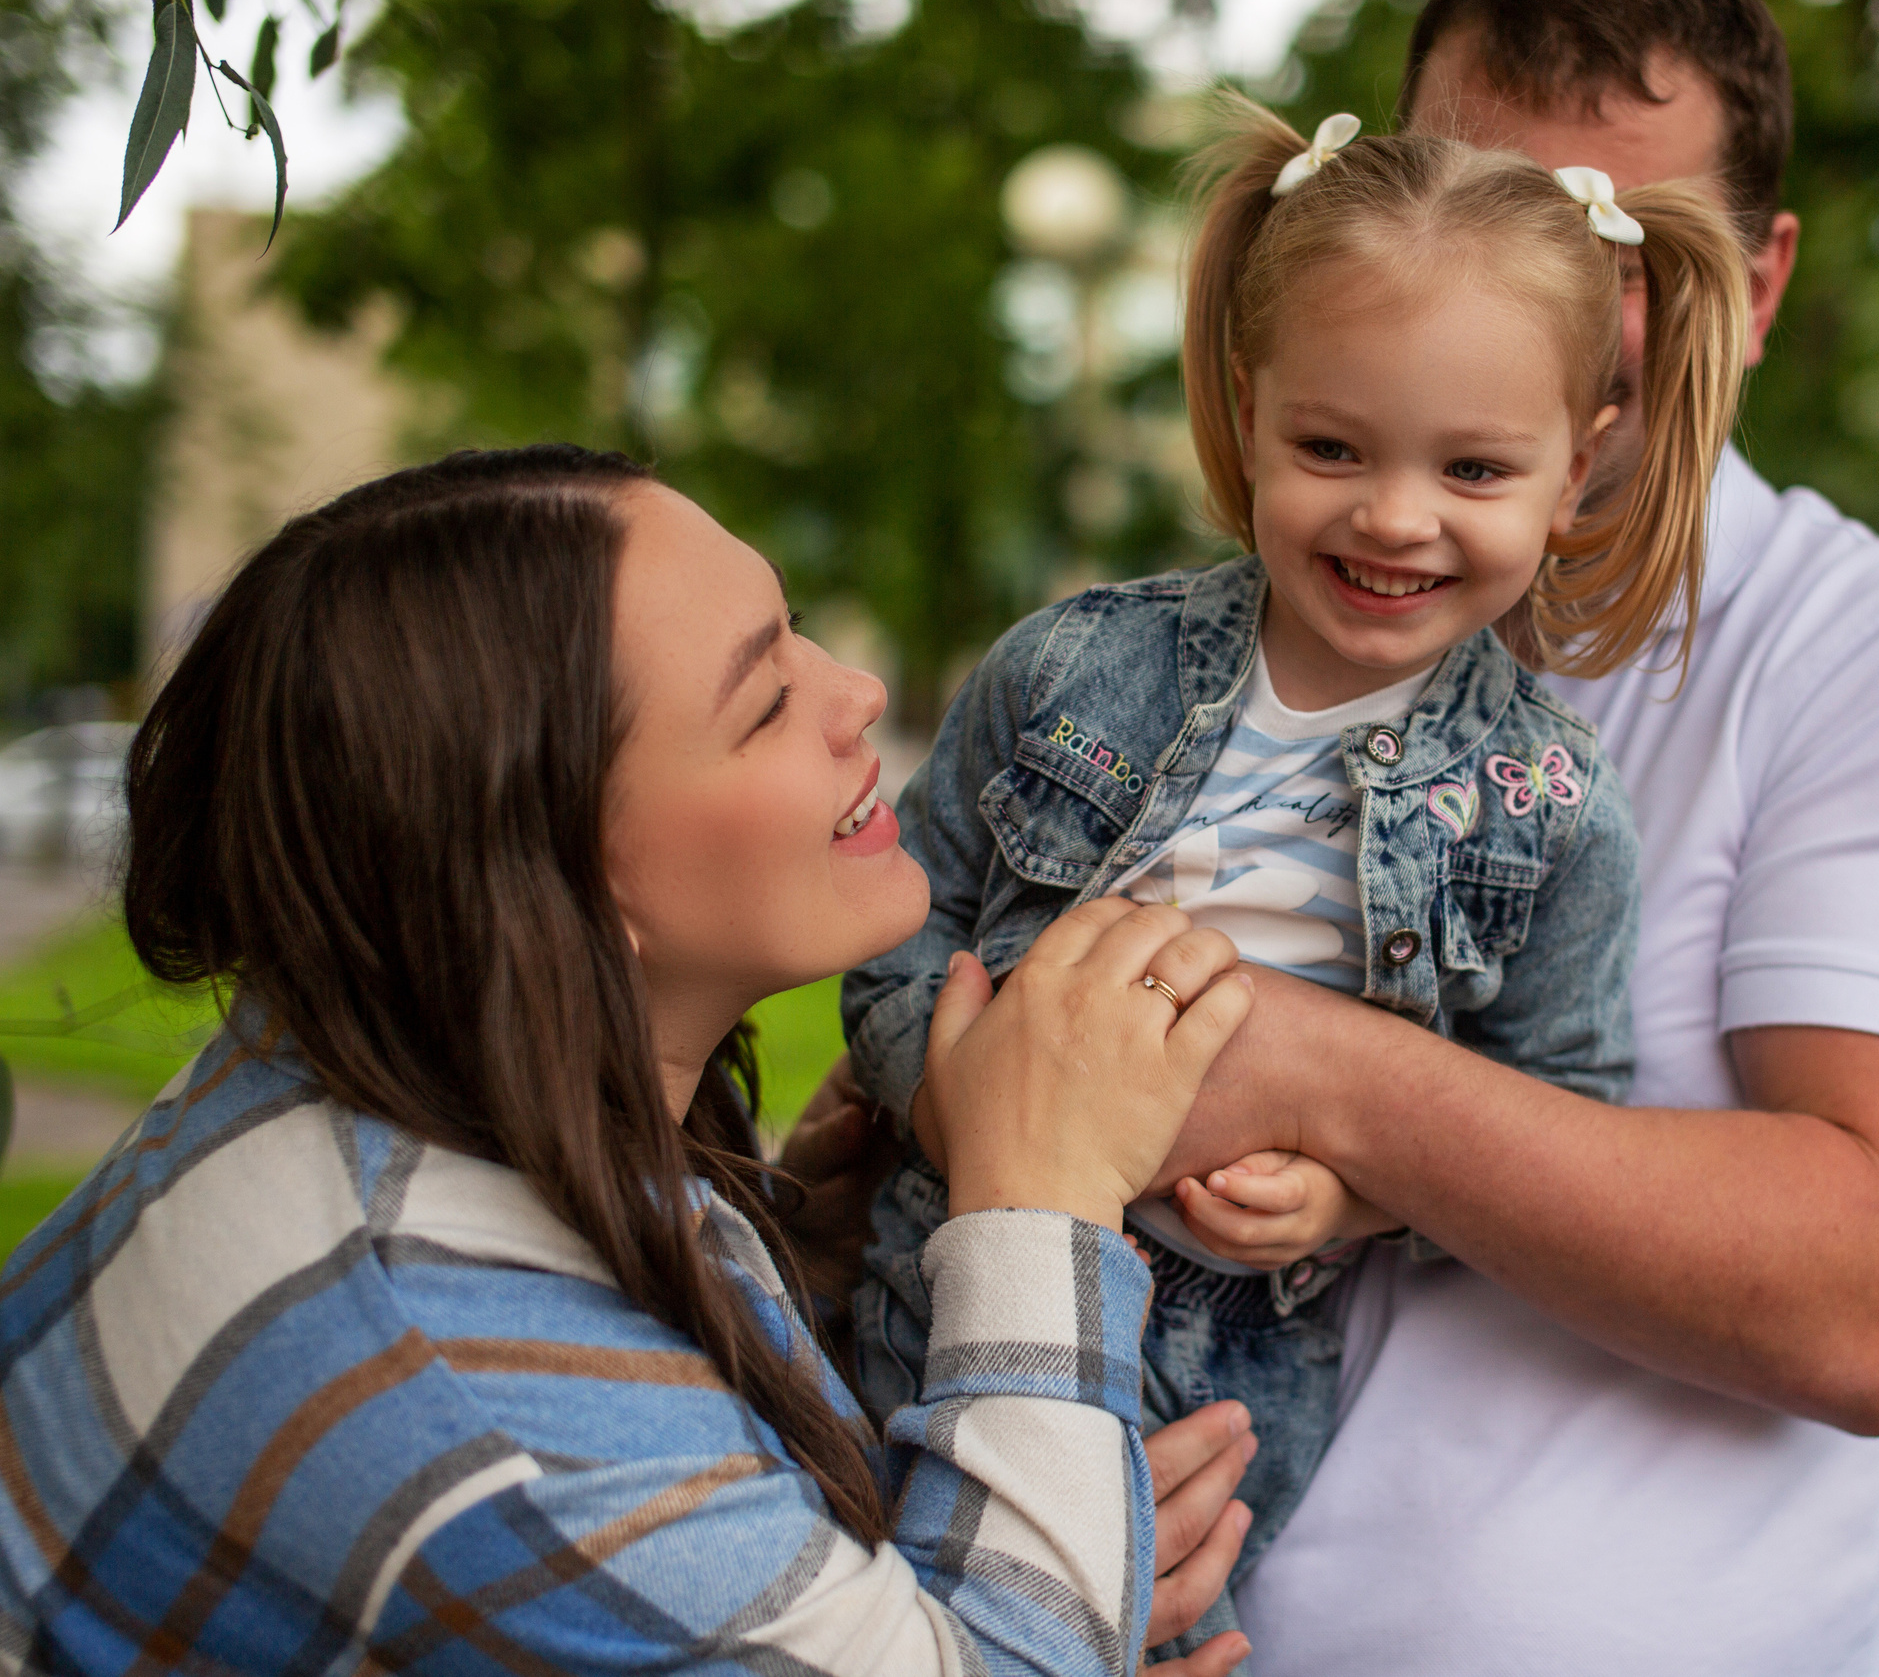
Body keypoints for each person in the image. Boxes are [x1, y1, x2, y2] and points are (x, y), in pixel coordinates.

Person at [789, 0, 1879, 1669]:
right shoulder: (1170, 645)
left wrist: (1293, 1069)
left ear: (1748, 287)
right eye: (1472, 188)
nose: (1496, 269)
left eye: (1593, 236)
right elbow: (940, 983)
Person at [0, 447, 1261, 1677]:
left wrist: (788, 1274)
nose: (856, 691)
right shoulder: (462, 1359)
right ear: (554, 885)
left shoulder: (356, 1053)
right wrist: (1035, 1199)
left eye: (795, 628)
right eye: (764, 700)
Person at [837, 100, 1758, 1664]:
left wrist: (1362, 1187)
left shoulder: (1550, 808)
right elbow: (897, 929)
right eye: (1333, 448)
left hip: (1222, 1371)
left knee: (1140, 1635)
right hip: (935, 1278)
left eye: (1475, 467)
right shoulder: (1074, 667)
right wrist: (970, 1104)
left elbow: (1557, 1112)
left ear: (1579, 462)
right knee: (866, 1622)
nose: (1396, 516)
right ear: (1247, 407)